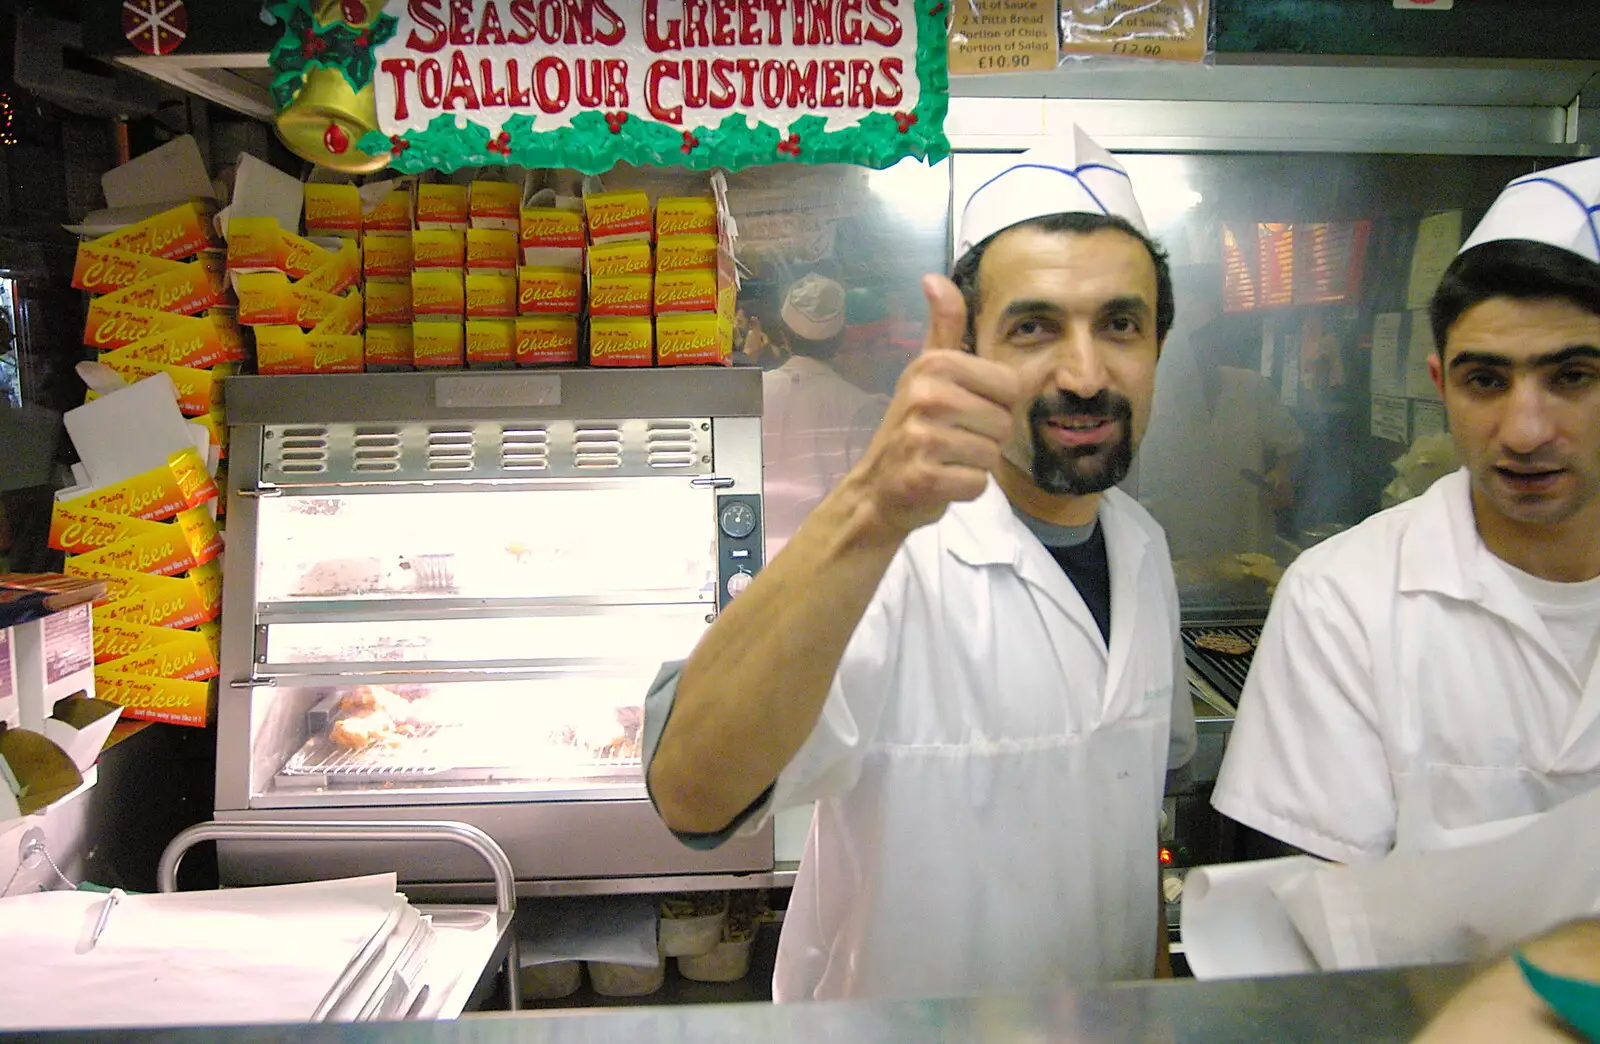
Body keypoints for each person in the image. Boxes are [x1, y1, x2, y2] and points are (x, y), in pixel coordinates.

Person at [643, 128, 1196, 1002]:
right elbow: (690, 792)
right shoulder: (890, 558)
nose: (1086, 374)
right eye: (1034, 328)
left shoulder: (1142, 547)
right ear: (971, 350)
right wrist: (870, 509)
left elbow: (1130, 838)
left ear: (1158, 344)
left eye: (1120, 324)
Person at [1212, 156, 1600, 862]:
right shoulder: (1345, 599)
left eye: (1572, 377)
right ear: (1440, 384)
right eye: (1485, 380)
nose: (1524, 431)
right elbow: (1310, 909)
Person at [759, 273, 889, 559]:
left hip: (750, 567)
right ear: (840, 337)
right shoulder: (861, 409)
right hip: (822, 567)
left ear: (783, 334)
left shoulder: (750, 395)